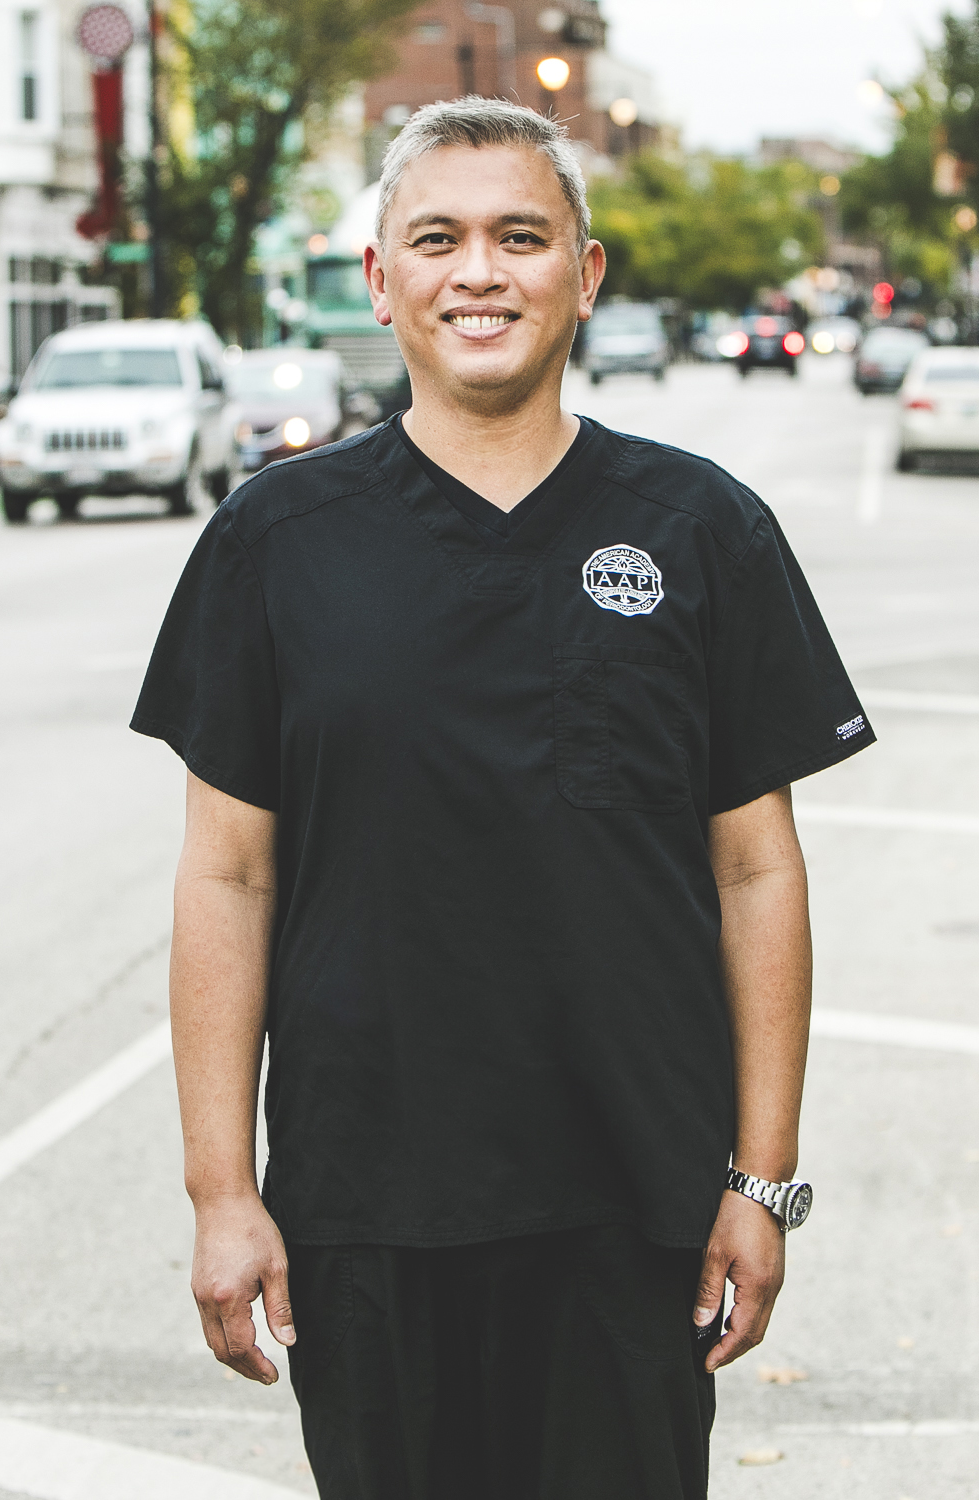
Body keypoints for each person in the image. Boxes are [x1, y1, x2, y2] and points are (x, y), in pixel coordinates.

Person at [131, 98, 875, 1499]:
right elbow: (226, 877)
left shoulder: (700, 528)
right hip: (367, 1215)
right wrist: (222, 1192)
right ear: (384, 279)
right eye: (440, 238)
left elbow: (757, 873)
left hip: (636, 1205)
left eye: (521, 236)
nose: (481, 271)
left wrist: (759, 1181)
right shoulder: (273, 542)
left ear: (583, 275)